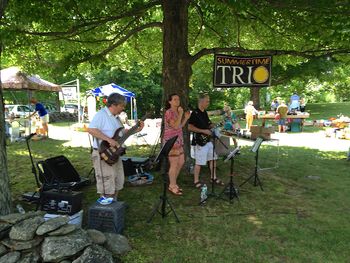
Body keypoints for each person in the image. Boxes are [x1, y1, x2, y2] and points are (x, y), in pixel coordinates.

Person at [88, 93, 144, 200]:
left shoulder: (116, 118)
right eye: (121, 106)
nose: (123, 108)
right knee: (107, 183)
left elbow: (122, 134)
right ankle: (105, 209)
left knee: (118, 181)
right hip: (103, 154)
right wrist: (108, 139)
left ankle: (113, 205)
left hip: (114, 154)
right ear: (113, 104)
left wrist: (137, 129)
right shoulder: (101, 115)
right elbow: (91, 130)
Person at [188, 94, 224, 189]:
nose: (208, 103)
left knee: (213, 159)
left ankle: (213, 177)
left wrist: (215, 124)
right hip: (199, 142)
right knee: (199, 162)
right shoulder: (195, 113)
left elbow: (208, 125)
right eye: (207, 101)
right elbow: (189, 127)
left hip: (208, 141)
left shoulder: (204, 113)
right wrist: (203, 131)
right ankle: (196, 181)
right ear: (201, 102)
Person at [163, 93, 190, 195]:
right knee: (174, 164)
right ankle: (173, 185)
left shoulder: (177, 112)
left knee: (181, 162)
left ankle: (173, 183)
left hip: (179, 141)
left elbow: (179, 126)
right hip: (171, 141)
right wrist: (181, 114)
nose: (177, 101)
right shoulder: (169, 112)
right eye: (174, 99)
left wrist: (186, 118)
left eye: (178, 99)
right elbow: (174, 126)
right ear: (170, 102)